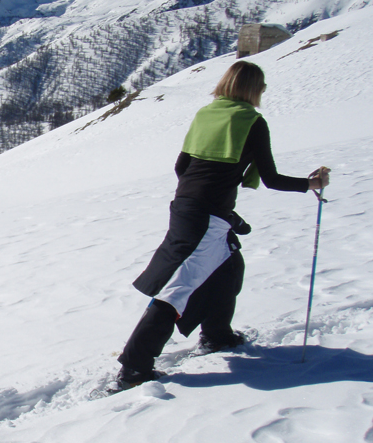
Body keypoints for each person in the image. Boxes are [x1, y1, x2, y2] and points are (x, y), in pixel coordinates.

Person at [114, 61, 330, 390]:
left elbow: (182, 165)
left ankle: (217, 335)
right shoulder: (252, 122)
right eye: (261, 86)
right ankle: (134, 368)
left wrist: (205, 199)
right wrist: (309, 184)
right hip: (206, 216)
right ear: (252, 89)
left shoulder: (206, 114)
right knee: (179, 288)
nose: (263, 92)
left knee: (229, 267)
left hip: (187, 207)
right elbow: (270, 179)